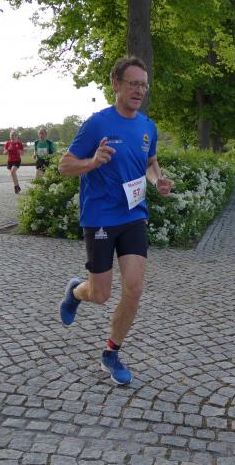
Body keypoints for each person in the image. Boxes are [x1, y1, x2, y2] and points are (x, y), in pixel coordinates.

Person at [57, 55, 174, 386]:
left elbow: (150, 163)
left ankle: (111, 352)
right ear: (116, 85)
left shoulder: (148, 126)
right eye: (133, 84)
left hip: (133, 215)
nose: (139, 90)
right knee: (100, 294)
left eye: (143, 85)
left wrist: (158, 181)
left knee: (134, 289)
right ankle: (75, 292)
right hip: (101, 217)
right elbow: (65, 165)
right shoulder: (97, 124)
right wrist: (93, 162)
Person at [4, 129, 24, 194]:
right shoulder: (7, 143)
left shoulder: (19, 143)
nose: (12, 136)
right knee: (13, 174)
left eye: (14, 135)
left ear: (16, 136)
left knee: (12, 172)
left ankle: (16, 187)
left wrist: (20, 152)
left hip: (17, 160)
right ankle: (18, 187)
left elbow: (22, 152)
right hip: (10, 161)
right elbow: (4, 153)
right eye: (11, 135)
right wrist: (8, 149)